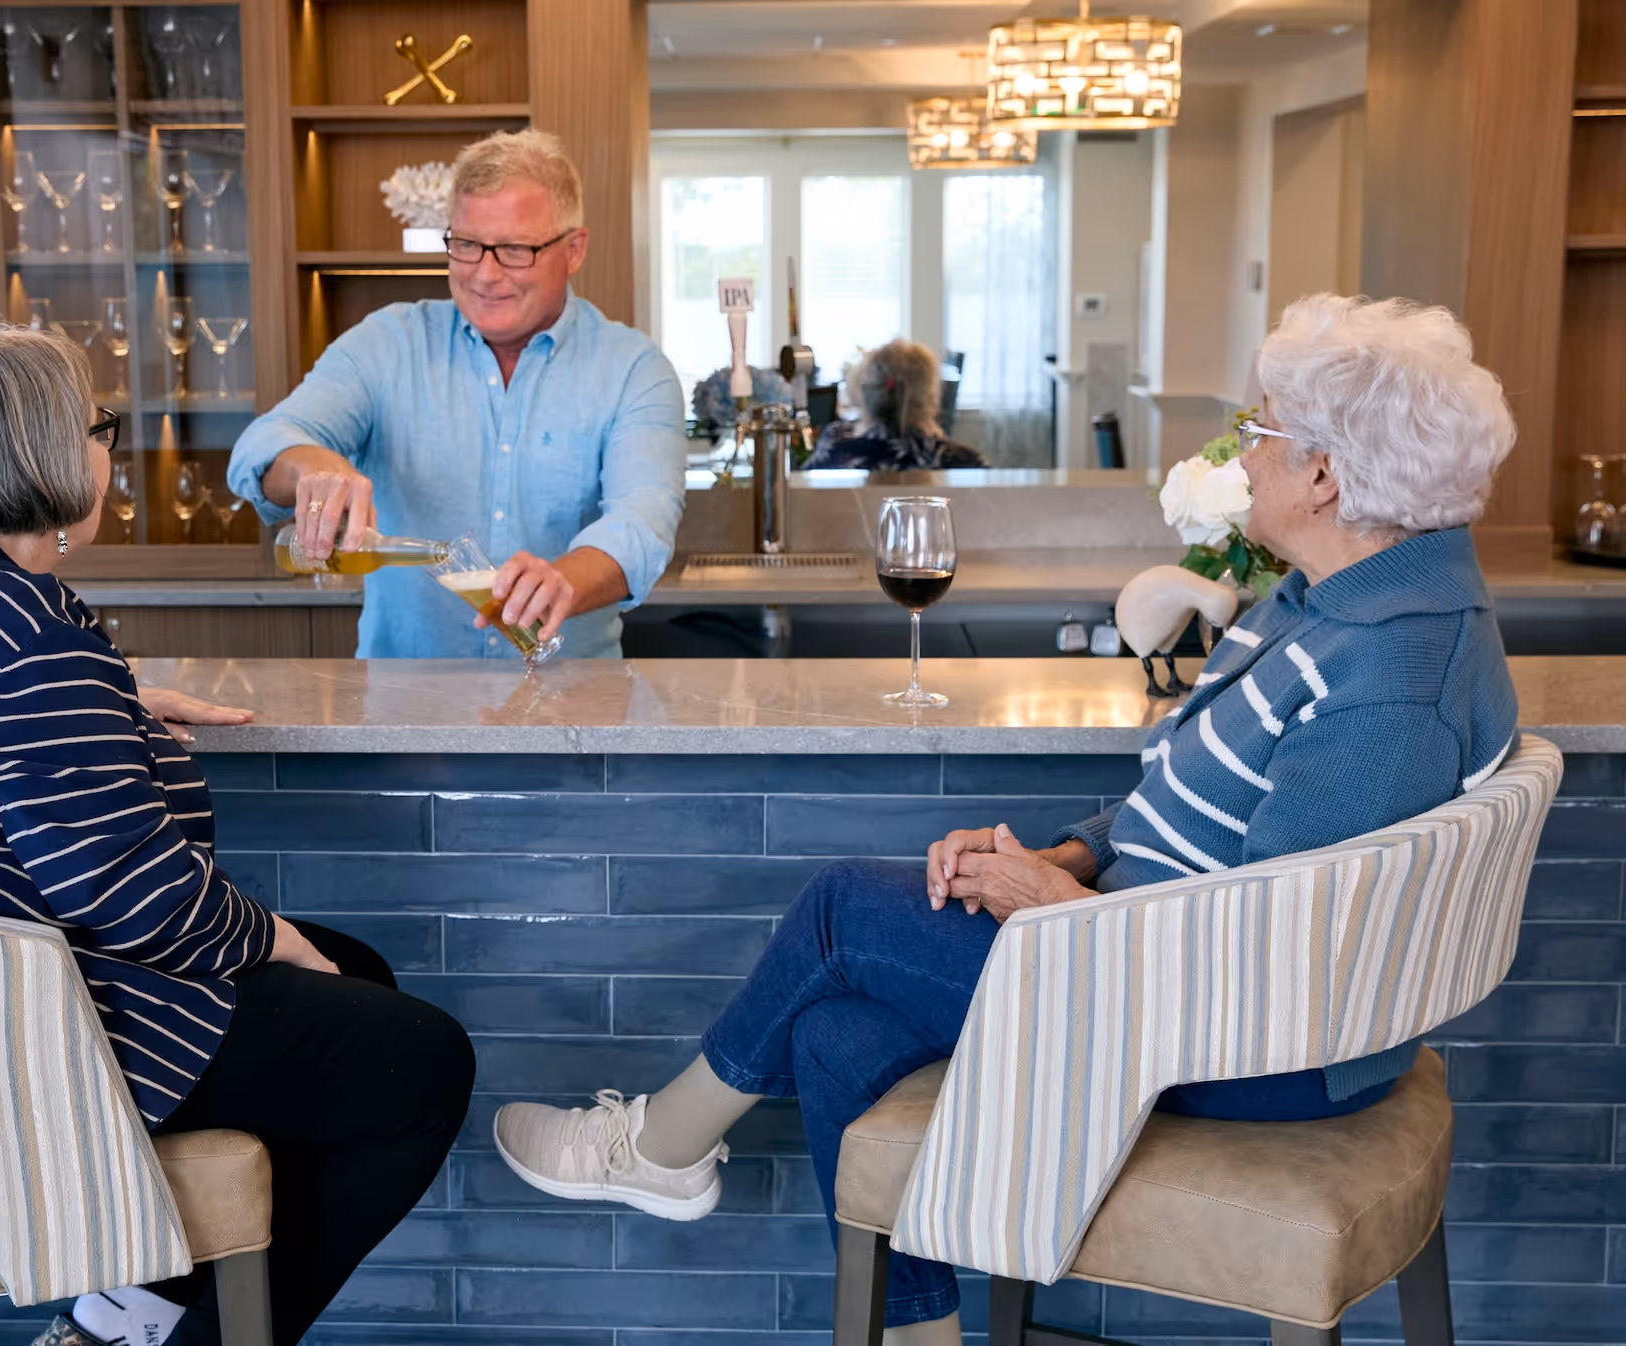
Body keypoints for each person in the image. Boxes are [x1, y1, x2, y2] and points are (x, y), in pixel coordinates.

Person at [492, 294, 1520, 1345]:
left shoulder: (1392, 673)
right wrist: (1066, 855)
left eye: (1258, 433)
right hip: (1164, 963)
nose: (1241, 457)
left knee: (843, 906)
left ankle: (657, 1148)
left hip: (1246, 1046)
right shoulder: (1348, 597)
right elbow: (1203, 805)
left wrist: (1058, 904)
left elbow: (1271, 952)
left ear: (1325, 474)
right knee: (834, 1032)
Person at [0, 325, 475, 1346]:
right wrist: (280, 938)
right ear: (34, 453)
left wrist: (111, 702)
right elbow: (134, 897)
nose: (109, 447)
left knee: (356, 982)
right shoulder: (24, 637)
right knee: (419, 1064)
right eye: (97, 426)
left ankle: (123, 1316)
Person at [228, 129, 686, 659]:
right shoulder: (387, 343)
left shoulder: (634, 369)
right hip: (402, 714)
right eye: (467, 245)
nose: (485, 275)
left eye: (515, 250)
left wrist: (564, 580)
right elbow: (263, 444)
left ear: (574, 249)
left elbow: (643, 521)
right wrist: (311, 468)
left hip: (573, 711)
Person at [804, 339, 985, 471]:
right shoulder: (960, 462)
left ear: (864, 392)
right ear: (930, 397)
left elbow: (799, 490)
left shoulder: (836, 446)